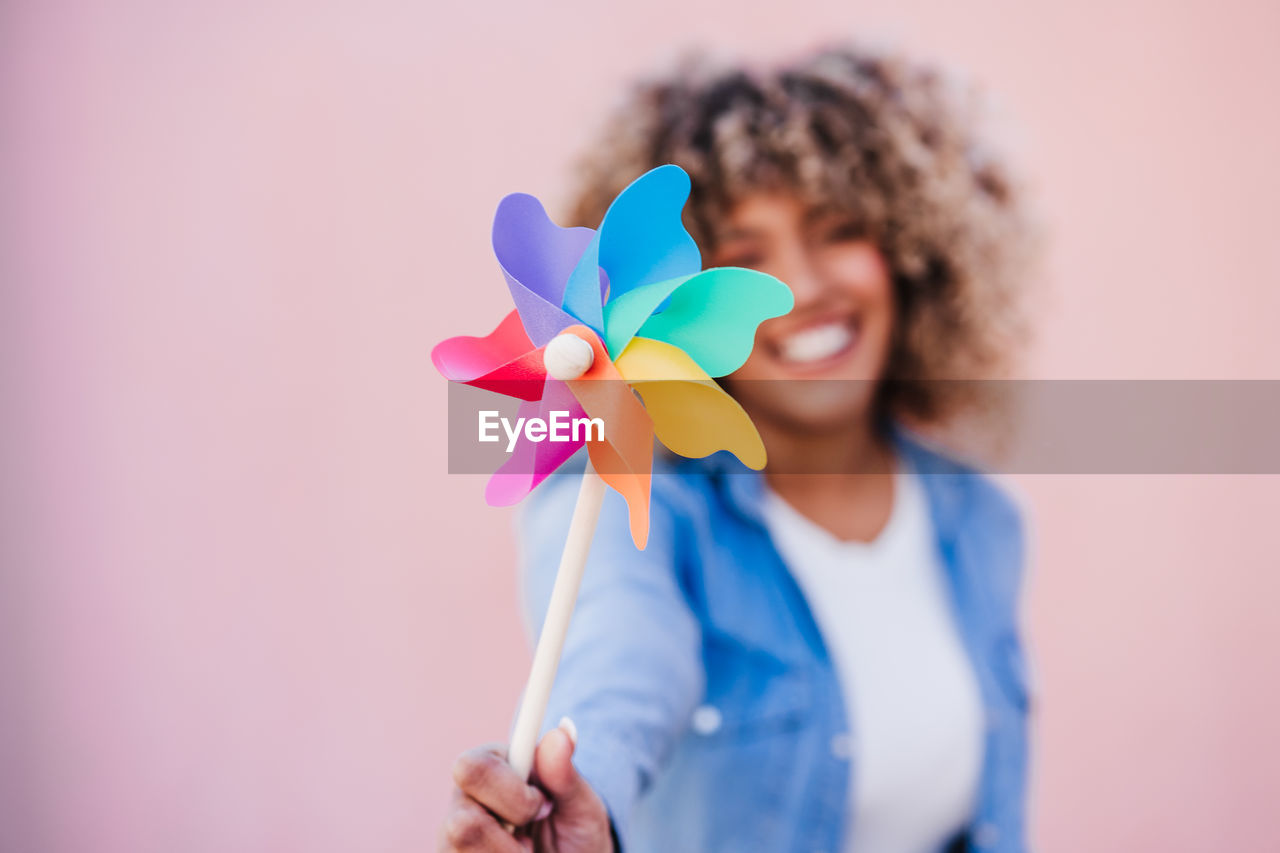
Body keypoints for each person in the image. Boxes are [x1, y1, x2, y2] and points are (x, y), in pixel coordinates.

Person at [440, 44, 1036, 853]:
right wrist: (583, 798)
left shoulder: (977, 514)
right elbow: (617, 662)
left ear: (912, 252)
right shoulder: (631, 500)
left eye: (839, 231)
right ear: (667, 305)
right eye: (745, 257)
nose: (796, 286)